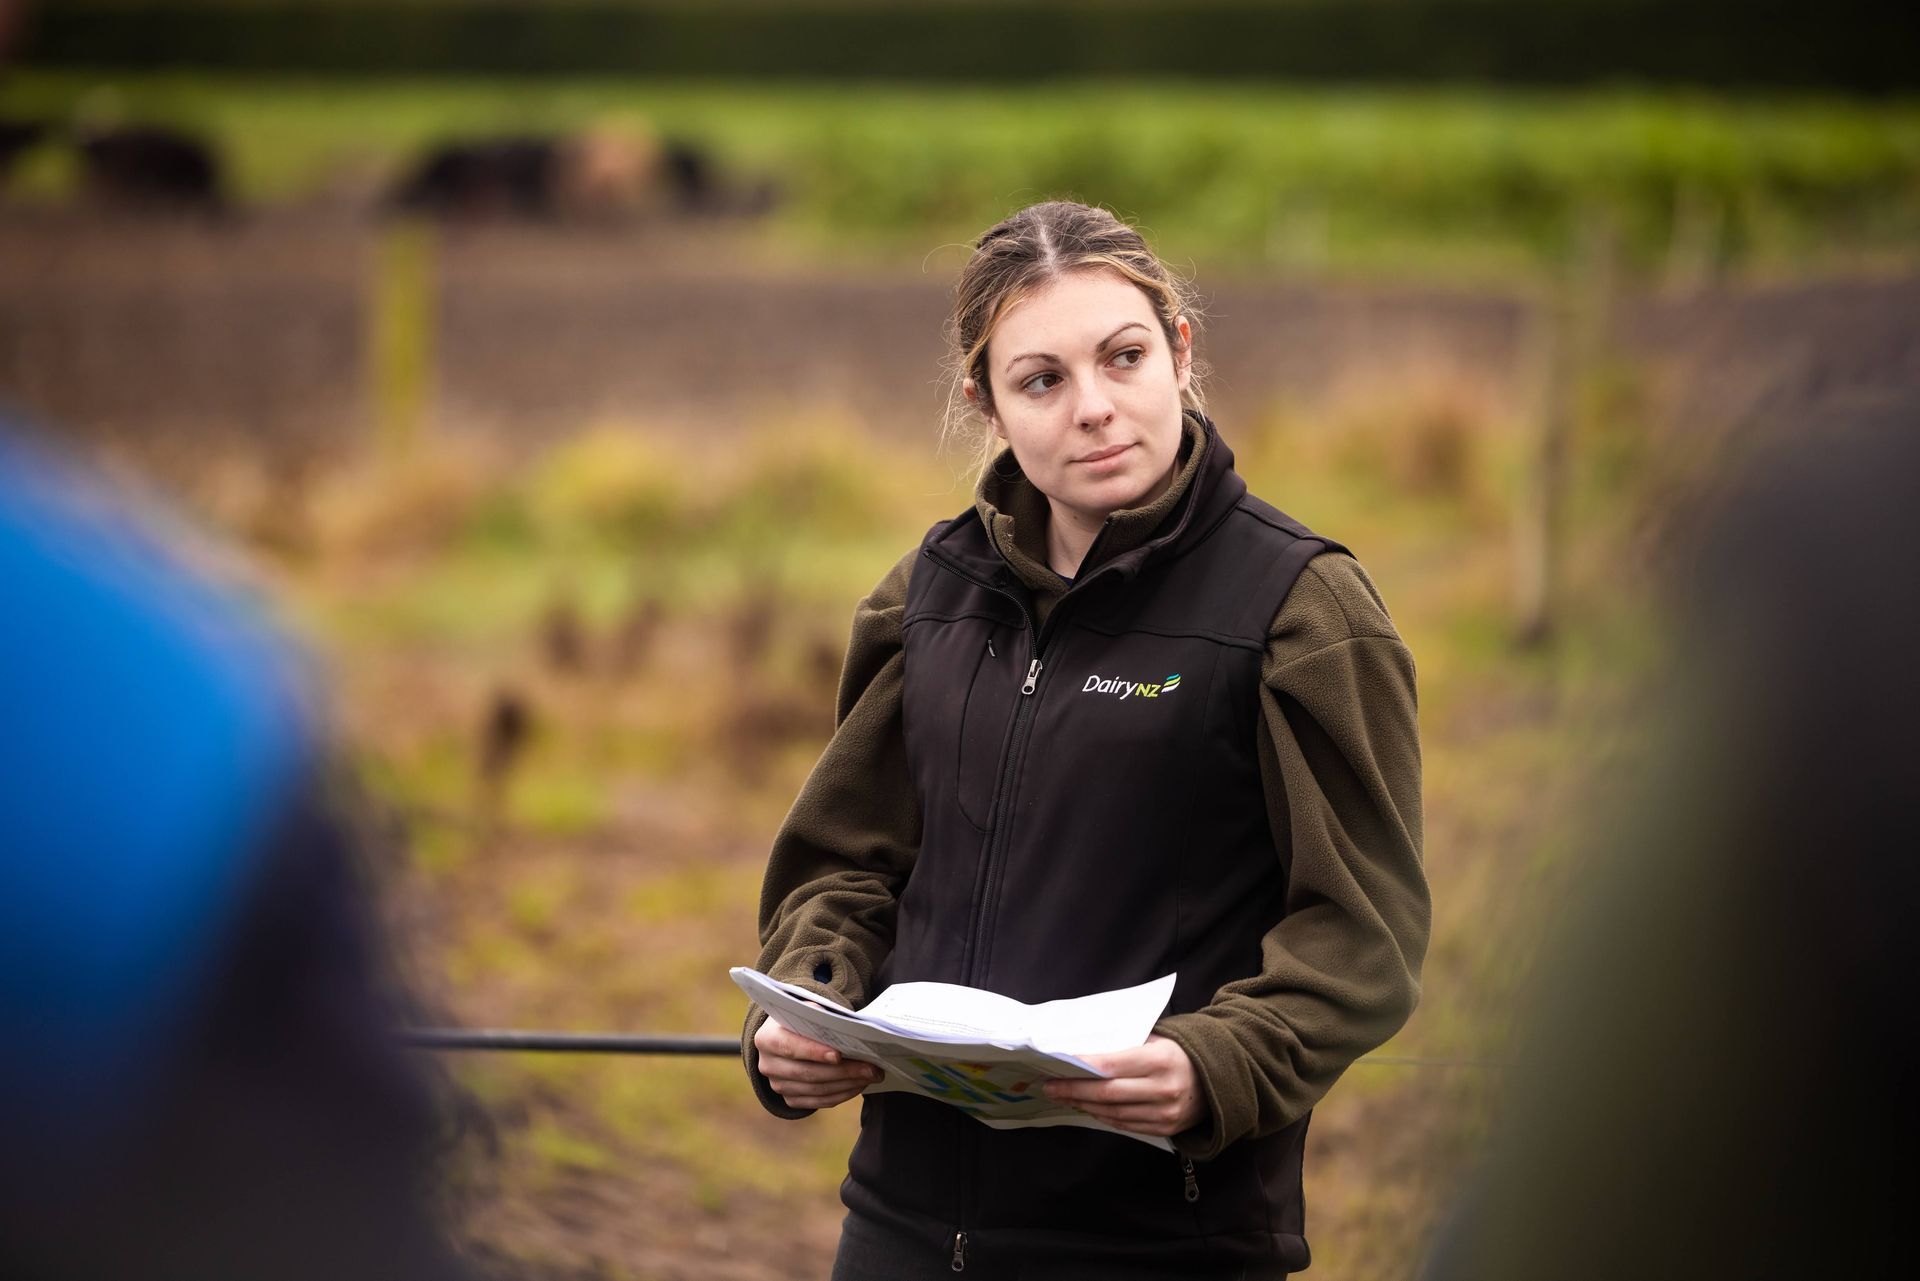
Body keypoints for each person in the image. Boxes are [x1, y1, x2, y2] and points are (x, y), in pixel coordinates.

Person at [740, 200, 1431, 1280]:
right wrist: (811, 1003)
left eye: (1124, 357)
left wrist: (1218, 1063)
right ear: (988, 403)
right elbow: (846, 865)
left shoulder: (1302, 612)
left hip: (1161, 1237)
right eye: (1043, 380)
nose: (1096, 409)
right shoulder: (923, 598)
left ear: (1180, 351)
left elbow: (1365, 931)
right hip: (904, 1231)